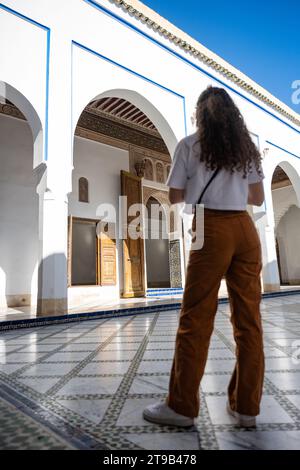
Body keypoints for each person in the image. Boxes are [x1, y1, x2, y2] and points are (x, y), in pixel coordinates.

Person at [143, 86, 265, 428]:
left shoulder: (189, 145)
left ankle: (181, 407)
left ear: (200, 114)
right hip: (245, 229)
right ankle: (246, 409)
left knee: (195, 317)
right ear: (232, 114)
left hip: (210, 227)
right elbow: (256, 198)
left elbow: (174, 195)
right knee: (249, 322)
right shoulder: (247, 149)